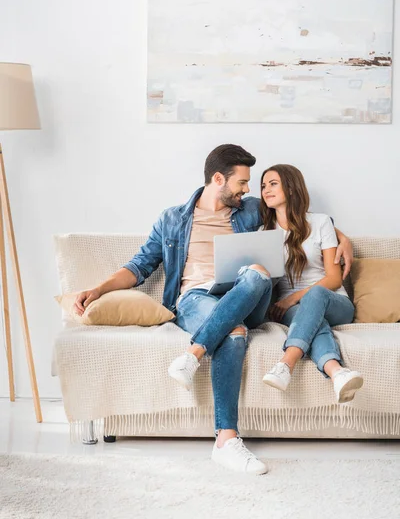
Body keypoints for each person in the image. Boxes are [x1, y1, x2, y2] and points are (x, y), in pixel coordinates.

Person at [73, 145, 354, 475]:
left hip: (247, 296)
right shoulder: (173, 219)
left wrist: (340, 236)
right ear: (218, 179)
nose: (250, 190)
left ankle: (193, 353)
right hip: (196, 298)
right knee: (234, 332)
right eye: (243, 182)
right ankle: (226, 440)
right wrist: (99, 289)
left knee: (257, 273)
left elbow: (295, 217)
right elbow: (140, 265)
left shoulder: (249, 211)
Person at [260, 164, 363, 403]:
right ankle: (337, 372)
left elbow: (334, 278)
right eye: (263, 185)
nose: (266, 190)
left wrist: (292, 298)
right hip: (292, 311)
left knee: (315, 295)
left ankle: (286, 363)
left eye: (273, 183)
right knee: (316, 324)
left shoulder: (320, 223)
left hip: (333, 300)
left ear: (292, 188)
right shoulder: (263, 232)